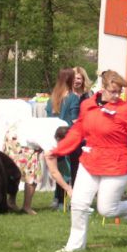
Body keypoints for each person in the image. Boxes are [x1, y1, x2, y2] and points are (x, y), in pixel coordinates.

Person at [46, 70, 127, 252]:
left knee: (106, 209)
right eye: (112, 91)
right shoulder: (88, 106)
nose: (116, 96)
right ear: (102, 88)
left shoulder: (126, 110)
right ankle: (74, 247)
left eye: (119, 92)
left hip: (116, 164)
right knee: (78, 203)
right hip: (90, 161)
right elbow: (77, 132)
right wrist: (58, 150)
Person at [3, 117, 73, 214]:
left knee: (18, 172)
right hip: (17, 139)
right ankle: (24, 207)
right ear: (57, 139)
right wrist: (68, 188)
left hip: (17, 129)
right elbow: (54, 172)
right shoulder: (49, 142)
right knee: (31, 173)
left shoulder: (64, 124)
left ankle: (12, 202)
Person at [46, 68, 81, 209]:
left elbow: (48, 118)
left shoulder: (52, 98)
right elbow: (74, 120)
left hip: (54, 137)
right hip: (68, 137)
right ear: (70, 80)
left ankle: (57, 199)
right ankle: (64, 201)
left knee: (58, 169)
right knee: (69, 170)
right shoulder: (72, 97)